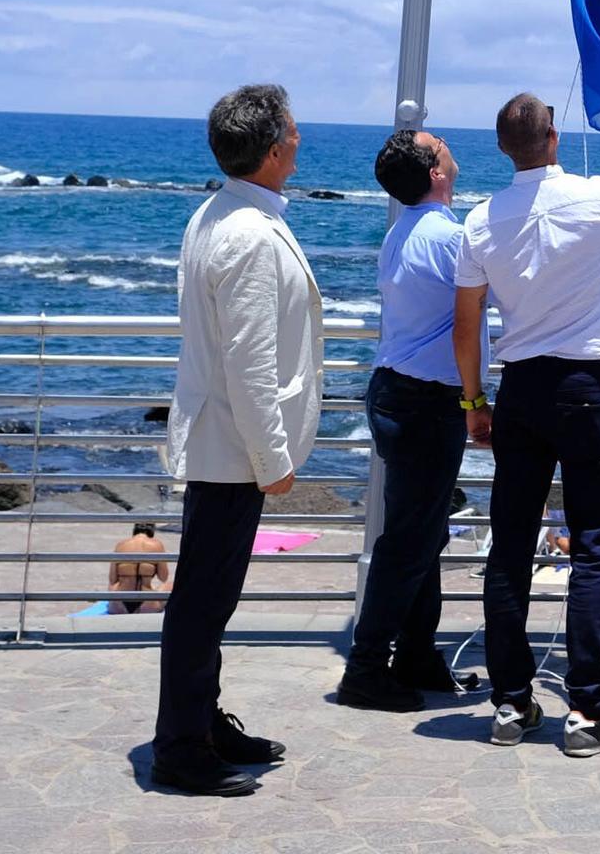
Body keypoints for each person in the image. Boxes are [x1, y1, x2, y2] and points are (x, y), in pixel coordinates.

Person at [454, 92, 600, 758]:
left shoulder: (479, 221)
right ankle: (589, 710)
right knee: (594, 543)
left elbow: (468, 324)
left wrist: (474, 404)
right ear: (554, 137)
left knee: (509, 548)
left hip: (522, 390)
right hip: (589, 386)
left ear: (503, 147)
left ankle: (510, 702)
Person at [151, 84, 323, 797]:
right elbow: (249, 363)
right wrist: (273, 459)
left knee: (207, 599)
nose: (302, 138)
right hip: (231, 448)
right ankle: (182, 747)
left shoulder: (219, 213)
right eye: (294, 128)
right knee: (202, 602)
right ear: (275, 146)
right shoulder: (250, 234)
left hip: (219, 439)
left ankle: (201, 721)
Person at [335, 127, 489, 712]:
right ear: (435, 172)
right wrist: (476, 403)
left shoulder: (402, 230)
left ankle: (417, 654)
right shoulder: (450, 239)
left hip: (396, 391)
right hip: (426, 401)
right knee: (408, 539)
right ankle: (366, 667)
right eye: (438, 142)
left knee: (423, 531)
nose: (447, 141)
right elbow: (469, 324)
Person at [108, 522, 171, 613]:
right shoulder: (157, 545)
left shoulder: (121, 545)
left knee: (111, 586)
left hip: (120, 604)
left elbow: (112, 579)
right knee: (170, 585)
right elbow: (163, 578)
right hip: (147, 604)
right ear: (152, 531)